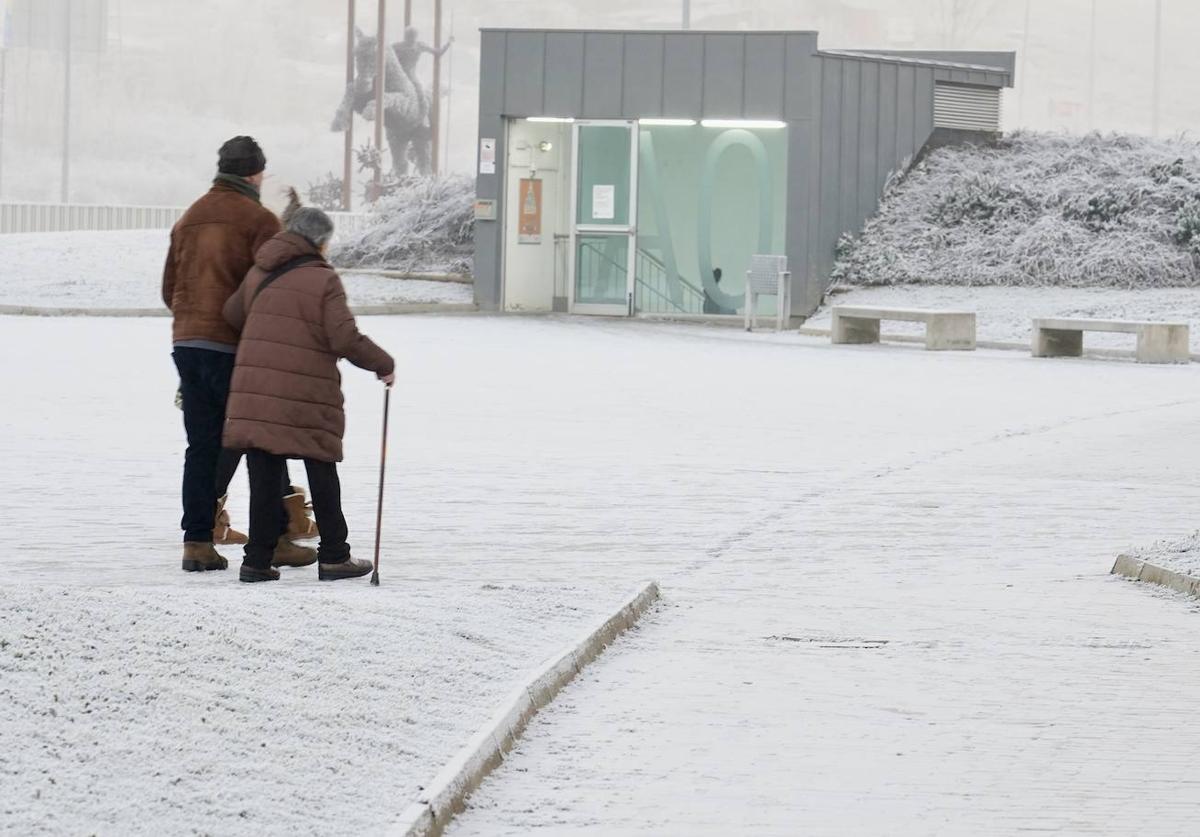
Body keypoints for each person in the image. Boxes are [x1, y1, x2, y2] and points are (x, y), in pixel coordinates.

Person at [162, 136, 315, 572]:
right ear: (254, 173)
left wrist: (194, 322)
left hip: (188, 343)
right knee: (263, 439)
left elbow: (169, 289)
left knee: (202, 446)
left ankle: (196, 543)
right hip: (235, 346)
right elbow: (271, 288)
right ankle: (276, 540)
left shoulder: (189, 217)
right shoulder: (259, 219)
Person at [222, 205, 395, 583]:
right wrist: (383, 363)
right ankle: (334, 555)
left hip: (255, 390)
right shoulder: (322, 279)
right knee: (320, 467)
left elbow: (233, 314)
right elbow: (343, 337)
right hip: (305, 391)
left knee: (264, 477)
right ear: (320, 242)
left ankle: (256, 562)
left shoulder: (259, 270)